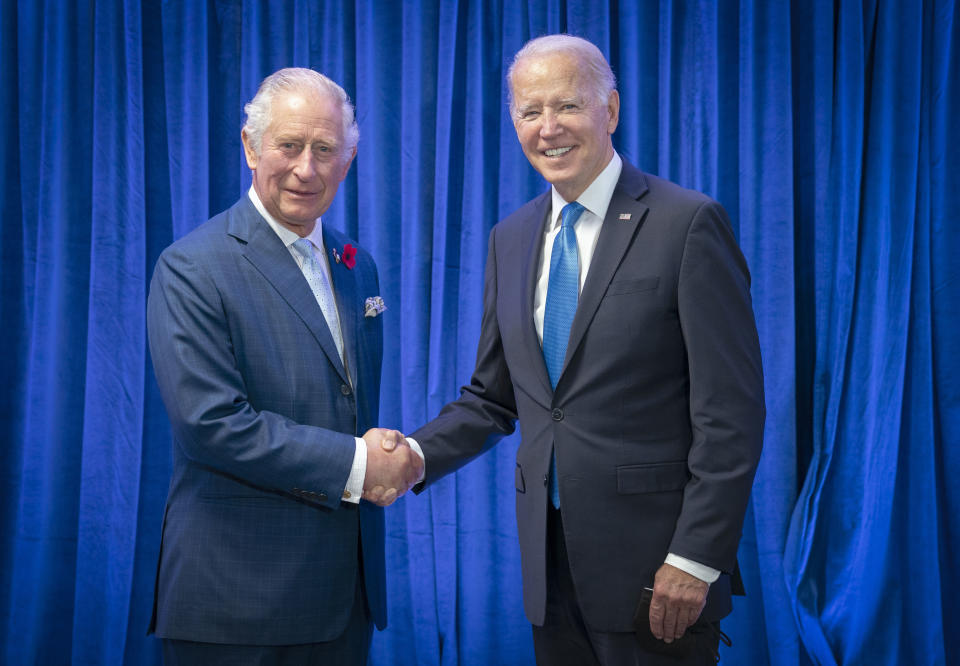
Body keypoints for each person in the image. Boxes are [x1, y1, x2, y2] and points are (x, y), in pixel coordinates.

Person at [407, 35, 765, 665]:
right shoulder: (510, 237)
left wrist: (695, 558)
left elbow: (731, 415)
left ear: (612, 111)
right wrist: (411, 456)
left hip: (660, 577)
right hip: (550, 573)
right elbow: (494, 397)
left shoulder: (688, 223)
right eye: (529, 111)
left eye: (567, 106)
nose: (548, 129)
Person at [146, 67, 422, 664]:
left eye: (325, 149)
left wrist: (387, 459)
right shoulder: (192, 267)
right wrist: (359, 462)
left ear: (348, 160)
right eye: (289, 145)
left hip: (345, 600)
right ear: (250, 147)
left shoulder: (357, 264)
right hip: (237, 604)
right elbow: (211, 425)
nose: (307, 168)